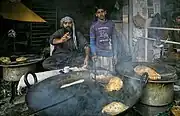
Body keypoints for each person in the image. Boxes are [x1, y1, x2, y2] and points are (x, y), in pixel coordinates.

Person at [90, 6, 118, 72]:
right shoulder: (93, 26)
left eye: (102, 12)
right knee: (100, 77)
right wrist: (94, 54)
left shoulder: (111, 24)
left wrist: (115, 54)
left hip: (109, 55)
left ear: (105, 12)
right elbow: (92, 42)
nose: (101, 14)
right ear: (96, 14)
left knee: (110, 76)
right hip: (99, 56)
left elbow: (114, 40)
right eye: (98, 12)